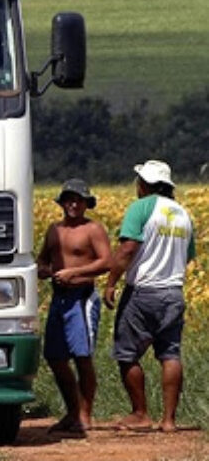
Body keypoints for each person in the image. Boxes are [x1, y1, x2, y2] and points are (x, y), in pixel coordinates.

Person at [104, 160, 197, 432]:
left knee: (127, 353)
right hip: (173, 292)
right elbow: (188, 256)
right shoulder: (183, 213)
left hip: (143, 291)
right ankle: (169, 420)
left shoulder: (141, 207)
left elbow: (128, 248)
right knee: (170, 354)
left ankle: (140, 413)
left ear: (143, 184)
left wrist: (111, 283)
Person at [36, 178, 111, 433]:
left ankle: (85, 413)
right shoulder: (53, 229)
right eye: (69, 199)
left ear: (86, 204)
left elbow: (106, 262)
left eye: (78, 199)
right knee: (55, 357)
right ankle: (72, 410)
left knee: (82, 356)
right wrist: (45, 270)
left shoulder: (93, 229)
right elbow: (42, 259)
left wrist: (74, 272)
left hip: (82, 296)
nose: (73, 204)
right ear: (62, 202)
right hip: (59, 298)